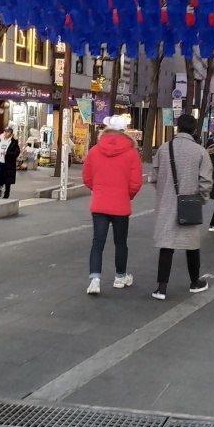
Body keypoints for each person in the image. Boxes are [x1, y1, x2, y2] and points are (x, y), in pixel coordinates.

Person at [150, 113, 213, 299]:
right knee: (192, 245)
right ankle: (195, 282)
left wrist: (164, 193)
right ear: (194, 130)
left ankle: (161, 287)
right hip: (190, 203)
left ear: (177, 128)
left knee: (166, 245)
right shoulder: (201, 151)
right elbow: (206, 181)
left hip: (167, 203)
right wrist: (200, 199)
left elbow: (154, 177)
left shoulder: (163, 149)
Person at [82, 114, 143, 295]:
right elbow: (135, 182)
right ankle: (120, 276)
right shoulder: (131, 153)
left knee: (97, 243)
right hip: (121, 204)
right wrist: (127, 195)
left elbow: (86, 176)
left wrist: (98, 189)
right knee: (120, 242)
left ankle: (95, 279)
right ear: (124, 132)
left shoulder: (94, 150)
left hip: (99, 203)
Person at [0, 125, 20, 198]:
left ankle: (6, 193)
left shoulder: (14, 142)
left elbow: (16, 152)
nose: (6, 133)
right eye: (5, 131)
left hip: (8, 163)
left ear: (11, 133)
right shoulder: (0, 140)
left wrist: (7, 153)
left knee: (8, 180)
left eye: (8, 132)